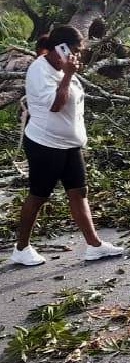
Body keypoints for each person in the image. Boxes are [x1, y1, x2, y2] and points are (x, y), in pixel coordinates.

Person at [8, 26, 124, 266]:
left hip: (69, 145)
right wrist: (70, 75)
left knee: (79, 191)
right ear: (58, 48)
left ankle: (94, 245)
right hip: (45, 145)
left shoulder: (62, 67)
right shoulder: (40, 71)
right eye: (73, 50)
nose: (77, 56)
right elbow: (56, 105)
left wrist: (68, 72)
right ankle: (21, 248)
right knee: (39, 195)